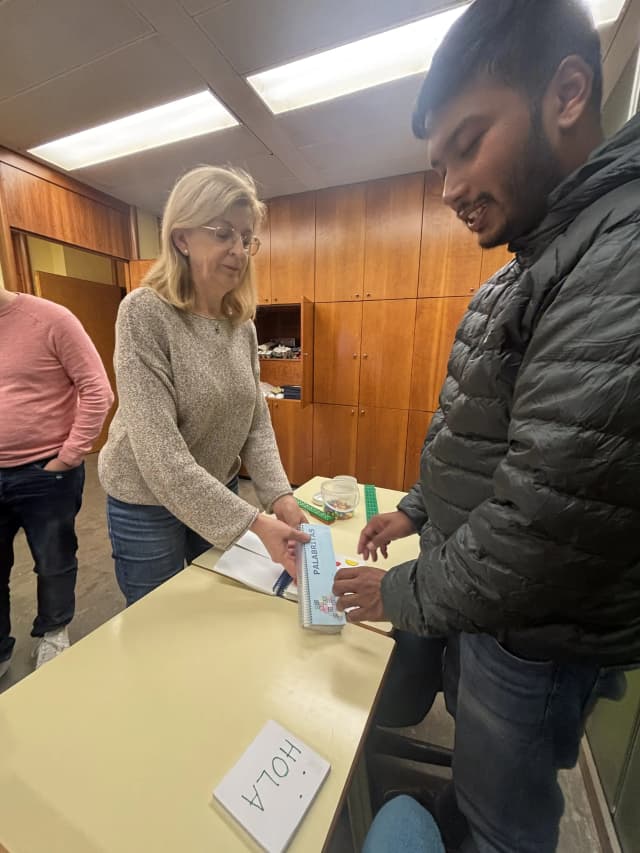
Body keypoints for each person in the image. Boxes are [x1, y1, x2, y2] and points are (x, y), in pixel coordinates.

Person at [333, 1, 640, 851]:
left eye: (468, 144)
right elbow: (487, 432)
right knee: (478, 778)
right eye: (439, 164)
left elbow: (541, 520)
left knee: (507, 820)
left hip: (535, 631)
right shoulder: (541, 254)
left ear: (567, 94)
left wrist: (399, 592)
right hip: (491, 612)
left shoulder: (618, 252)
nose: (450, 189)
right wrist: (422, 508)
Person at [99, 166, 308, 606]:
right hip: (146, 502)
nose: (238, 250)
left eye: (246, 238)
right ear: (182, 239)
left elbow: (256, 423)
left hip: (217, 487)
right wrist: (256, 522)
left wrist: (281, 498)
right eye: (222, 233)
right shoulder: (144, 314)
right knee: (159, 618)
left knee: (213, 605)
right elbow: (160, 456)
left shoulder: (242, 326)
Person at [0, 288, 113, 676]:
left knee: (53, 560)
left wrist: (68, 456)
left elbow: (98, 391)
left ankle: (53, 632)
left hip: (45, 472)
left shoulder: (52, 319)